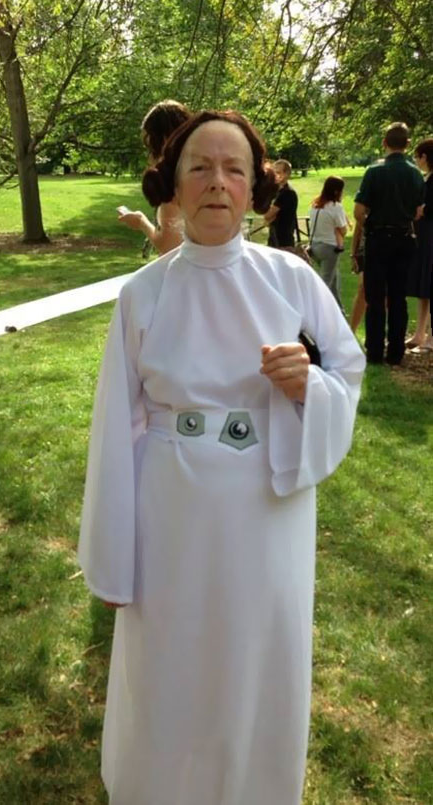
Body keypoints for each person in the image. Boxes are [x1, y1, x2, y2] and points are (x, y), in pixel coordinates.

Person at [78, 109, 365, 805]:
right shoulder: (143, 292)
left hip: (269, 508)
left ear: (254, 187)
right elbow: (116, 426)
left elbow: (346, 373)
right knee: (172, 663)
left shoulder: (291, 280)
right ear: (171, 184)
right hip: (171, 508)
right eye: (199, 168)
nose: (216, 183)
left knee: (255, 658)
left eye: (233, 169)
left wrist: (309, 385)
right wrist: (112, 556)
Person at [354, 121, 425, 365]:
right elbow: (418, 211)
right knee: (398, 297)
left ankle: (374, 350)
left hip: (378, 237)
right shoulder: (415, 173)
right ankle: (396, 352)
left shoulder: (375, 172)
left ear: (384, 143)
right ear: (408, 144)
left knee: (375, 297)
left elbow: (358, 211)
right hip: (404, 238)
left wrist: (370, 222)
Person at [117, 99, 190, 255]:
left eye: (150, 143)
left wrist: (141, 222)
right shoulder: (204, 169)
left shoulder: (175, 181)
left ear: (164, 139)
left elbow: (168, 246)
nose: (149, 154)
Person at [405, 138, 433, 352]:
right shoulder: (427, 178)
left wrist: (422, 210)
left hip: (430, 236)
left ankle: (430, 338)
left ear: (425, 157)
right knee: (424, 287)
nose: (416, 160)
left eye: (417, 156)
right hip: (424, 237)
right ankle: (419, 333)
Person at [308, 175, 350, 309]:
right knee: (325, 283)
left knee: (333, 284)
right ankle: (314, 311)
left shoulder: (315, 205)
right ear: (337, 191)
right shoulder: (335, 207)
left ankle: (339, 312)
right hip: (329, 248)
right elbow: (343, 230)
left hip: (315, 246)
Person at [264, 158, 298, 249]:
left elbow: (267, 215)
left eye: (278, 172)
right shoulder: (277, 191)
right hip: (274, 238)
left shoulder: (287, 193)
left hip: (283, 241)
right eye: (274, 172)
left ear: (287, 174)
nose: (275, 175)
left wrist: (271, 216)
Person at [349, 216, 367, 333]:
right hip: (366, 250)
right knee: (363, 289)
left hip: (391, 246)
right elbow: (358, 227)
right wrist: (353, 253)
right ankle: (351, 332)